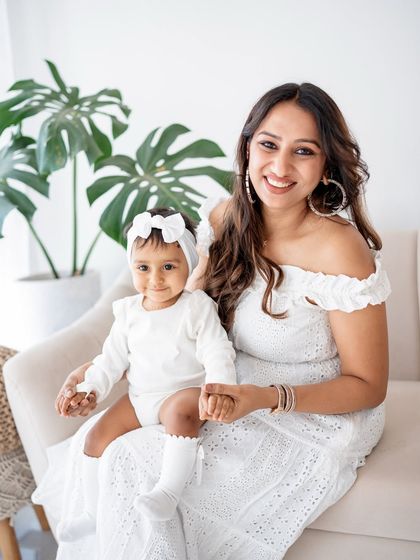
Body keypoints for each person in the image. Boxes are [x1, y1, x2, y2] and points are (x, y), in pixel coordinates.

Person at [41, 82, 390, 559]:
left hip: (313, 409)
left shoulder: (340, 250)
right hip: (228, 385)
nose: (280, 167)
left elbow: (368, 385)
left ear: (326, 164)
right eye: (268, 144)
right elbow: (182, 317)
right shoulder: (227, 218)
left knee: (135, 462)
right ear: (247, 148)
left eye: (303, 151)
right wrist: (103, 368)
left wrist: (264, 399)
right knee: (98, 443)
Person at [55, 208, 236, 541]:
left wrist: (219, 388)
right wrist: (90, 387)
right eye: (143, 268)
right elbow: (111, 360)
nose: (155, 279)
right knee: (95, 438)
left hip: (184, 394)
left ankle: (167, 493)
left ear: (188, 264)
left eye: (168, 266)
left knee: (181, 411)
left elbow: (217, 350)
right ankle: (93, 514)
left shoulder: (196, 307)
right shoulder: (127, 313)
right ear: (131, 267)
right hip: (140, 399)